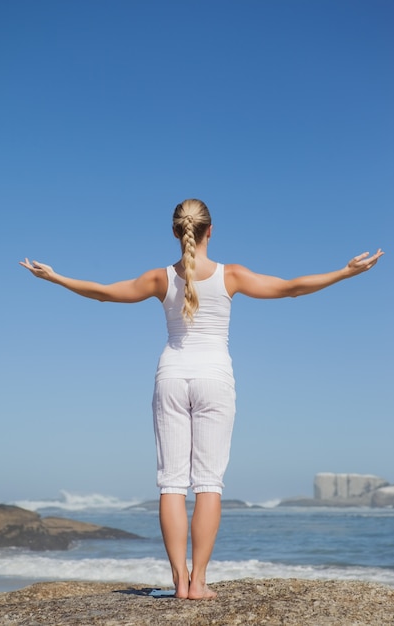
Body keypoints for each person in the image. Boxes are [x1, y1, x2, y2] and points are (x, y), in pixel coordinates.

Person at [20, 198, 383, 600]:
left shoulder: (160, 278)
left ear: (176, 232)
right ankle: (199, 583)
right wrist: (346, 273)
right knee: (208, 484)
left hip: (171, 378)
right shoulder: (232, 275)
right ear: (210, 231)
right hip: (214, 380)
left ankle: (178, 583)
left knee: (172, 484)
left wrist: (56, 278)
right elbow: (291, 289)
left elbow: (106, 293)